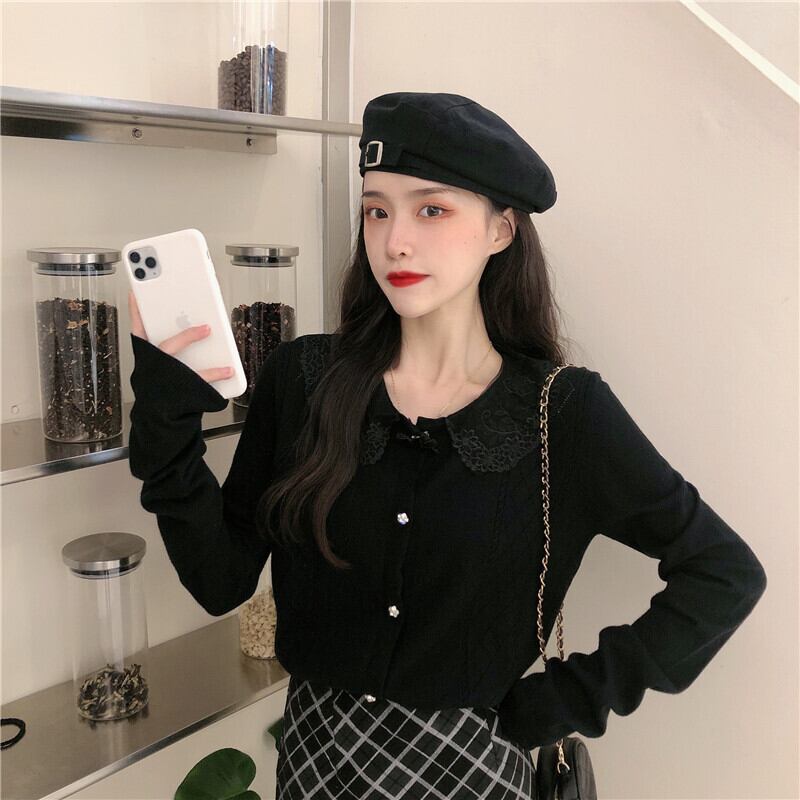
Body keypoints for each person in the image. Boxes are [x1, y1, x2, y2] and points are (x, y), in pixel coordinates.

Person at [127, 92, 768, 799]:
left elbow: (723, 572)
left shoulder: (564, 414)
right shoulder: (304, 379)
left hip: (475, 775)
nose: (395, 241)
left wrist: (561, 702)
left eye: (431, 210)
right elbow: (220, 580)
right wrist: (165, 416)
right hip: (315, 770)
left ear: (501, 229)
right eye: (377, 210)